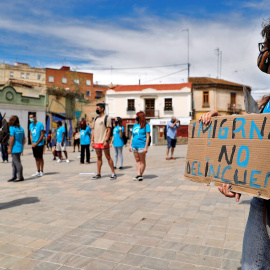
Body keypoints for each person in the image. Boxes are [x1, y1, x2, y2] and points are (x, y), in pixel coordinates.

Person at [91, 103, 117, 180]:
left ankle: (113, 173)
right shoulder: (95, 119)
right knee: (99, 157)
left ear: (102, 109)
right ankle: (98, 173)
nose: (97, 109)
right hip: (96, 142)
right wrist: (92, 140)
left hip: (103, 142)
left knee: (108, 157)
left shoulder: (107, 118)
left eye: (98, 108)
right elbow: (93, 130)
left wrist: (106, 140)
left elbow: (109, 130)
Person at [129, 111, 150, 181]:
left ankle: (140, 174)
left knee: (142, 161)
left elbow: (148, 137)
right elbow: (132, 135)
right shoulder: (135, 125)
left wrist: (146, 147)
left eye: (137, 116)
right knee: (137, 160)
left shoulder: (146, 125)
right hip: (134, 145)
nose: (136, 118)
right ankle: (138, 174)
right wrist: (130, 145)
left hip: (142, 145)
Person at [7, 115, 25, 182]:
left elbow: (12, 138)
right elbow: (24, 138)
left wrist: (9, 148)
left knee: (17, 163)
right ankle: (13, 176)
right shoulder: (21, 128)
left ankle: (20, 177)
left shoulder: (12, 128)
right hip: (19, 146)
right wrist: (22, 145)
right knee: (14, 163)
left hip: (14, 147)